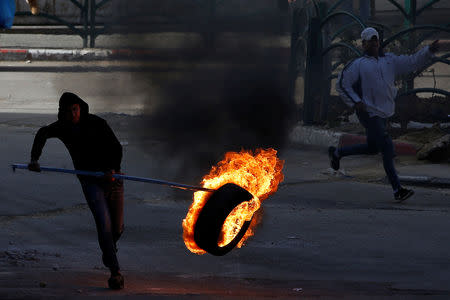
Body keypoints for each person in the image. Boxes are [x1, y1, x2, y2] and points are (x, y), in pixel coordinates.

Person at [28, 92, 125, 289]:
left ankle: (109, 250)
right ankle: (115, 273)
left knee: (117, 228)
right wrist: (34, 159)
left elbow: (116, 147)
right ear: (62, 113)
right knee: (103, 225)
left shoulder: (97, 123)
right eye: (68, 111)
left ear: (80, 107)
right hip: (90, 182)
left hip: (114, 179)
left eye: (75, 109)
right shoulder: (63, 127)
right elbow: (43, 133)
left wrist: (113, 169)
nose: (73, 114)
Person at [331, 27, 440, 202]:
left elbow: (411, 61)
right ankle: (398, 189)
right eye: (370, 40)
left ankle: (337, 153)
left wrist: (428, 51)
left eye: (376, 39)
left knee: (373, 147)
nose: (374, 43)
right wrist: (356, 102)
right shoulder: (358, 64)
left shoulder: (389, 61)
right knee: (387, 147)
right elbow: (342, 84)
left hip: (384, 112)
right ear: (363, 43)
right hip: (368, 112)